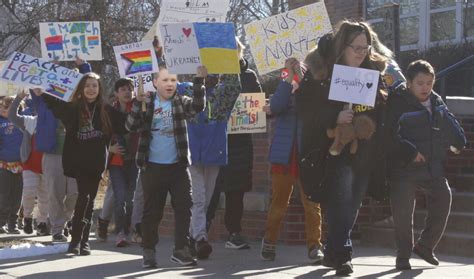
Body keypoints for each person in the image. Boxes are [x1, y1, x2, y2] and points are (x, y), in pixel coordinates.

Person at [299, 21, 390, 276]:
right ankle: (343, 254)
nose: (362, 52)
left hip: (366, 150)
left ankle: (332, 249)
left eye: (366, 47)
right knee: (340, 197)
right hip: (335, 150)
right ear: (343, 47)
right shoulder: (323, 73)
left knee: (354, 201)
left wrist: (372, 117)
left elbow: (381, 110)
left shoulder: (374, 72)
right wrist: (334, 117)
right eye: (356, 47)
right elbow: (306, 110)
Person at [386, 60, 466, 270]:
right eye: (420, 83)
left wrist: (459, 140)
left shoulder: (437, 100)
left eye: (429, 83)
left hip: (431, 166)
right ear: (409, 82)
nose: (425, 88)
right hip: (403, 166)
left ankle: (425, 245)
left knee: (443, 197)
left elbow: (450, 122)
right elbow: (388, 135)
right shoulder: (398, 101)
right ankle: (403, 256)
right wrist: (410, 152)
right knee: (403, 213)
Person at [37, 71, 127, 256]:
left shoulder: (106, 110)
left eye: (94, 85)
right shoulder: (74, 108)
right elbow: (55, 104)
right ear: (81, 88)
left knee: (88, 200)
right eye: (87, 85)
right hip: (77, 162)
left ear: (99, 89)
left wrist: (142, 104)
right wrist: (42, 93)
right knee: (84, 199)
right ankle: (78, 241)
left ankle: (80, 241)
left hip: (96, 164)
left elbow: (127, 124)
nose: (91, 89)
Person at [126, 63, 207, 268]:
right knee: (153, 212)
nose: (169, 84)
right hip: (152, 167)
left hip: (178, 166)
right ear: (154, 83)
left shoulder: (181, 102)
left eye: (173, 80)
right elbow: (130, 126)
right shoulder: (147, 103)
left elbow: (198, 106)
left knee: (184, 207)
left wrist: (199, 81)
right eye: (164, 80)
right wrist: (137, 103)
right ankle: (148, 251)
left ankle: (181, 250)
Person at [260, 56, 324, 264]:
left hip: (307, 155)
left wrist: (303, 76)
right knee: (279, 203)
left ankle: (315, 246)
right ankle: (269, 242)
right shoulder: (284, 83)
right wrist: (287, 77)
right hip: (284, 156)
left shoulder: (312, 84)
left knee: (312, 204)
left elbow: (317, 105)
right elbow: (276, 105)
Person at [30, 57, 90, 241]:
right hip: (52, 153)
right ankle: (57, 229)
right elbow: (35, 85)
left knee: (75, 192)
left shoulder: (75, 103)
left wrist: (83, 65)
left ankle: (64, 219)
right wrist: (50, 67)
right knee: (55, 193)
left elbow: (89, 83)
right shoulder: (43, 101)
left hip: (75, 154)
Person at [211, 38, 262, 249]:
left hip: (240, 141)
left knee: (236, 189)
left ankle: (234, 232)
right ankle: (198, 232)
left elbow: (257, 102)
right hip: (213, 139)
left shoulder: (248, 76)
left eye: (234, 50)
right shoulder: (211, 76)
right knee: (209, 188)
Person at [187, 72, 241, 259]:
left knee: (206, 200)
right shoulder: (187, 89)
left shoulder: (223, 93)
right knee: (199, 198)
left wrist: (229, 58)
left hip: (214, 153)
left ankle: (192, 237)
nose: (208, 73)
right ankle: (200, 238)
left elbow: (235, 84)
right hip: (192, 153)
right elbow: (164, 83)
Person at [8, 90, 48, 235]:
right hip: (30, 163)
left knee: (45, 196)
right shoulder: (30, 120)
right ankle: (27, 218)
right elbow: (12, 116)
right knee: (29, 192)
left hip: (48, 165)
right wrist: (18, 98)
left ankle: (42, 222)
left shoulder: (55, 121)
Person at [107, 78, 140, 247]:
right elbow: (101, 133)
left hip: (134, 160)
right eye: (123, 89)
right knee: (119, 198)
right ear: (116, 93)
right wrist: (109, 148)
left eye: (130, 89)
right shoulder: (109, 111)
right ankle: (120, 232)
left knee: (131, 199)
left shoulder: (139, 107)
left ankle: (130, 229)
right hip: (116, 162)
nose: (127, 92)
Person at [0, 96, 23, 234]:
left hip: (20, 165)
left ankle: (13, 224)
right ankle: (1, 222)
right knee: (3, 195)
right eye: (1, 107)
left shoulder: (22, 121)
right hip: (3, 165)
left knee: (17, 196)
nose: (3, 109)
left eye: (6, 107)